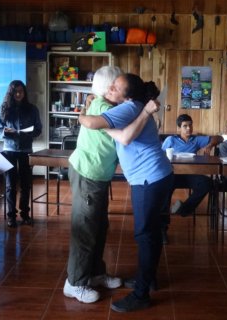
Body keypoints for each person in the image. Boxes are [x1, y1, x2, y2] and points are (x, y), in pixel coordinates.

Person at [79, 73, 173, 313]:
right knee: (151, 233)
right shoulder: (135, 106)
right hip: (157, 176)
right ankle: (147, 279)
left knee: (145, 235)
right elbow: (123, 136)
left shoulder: (129, 108)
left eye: (116, 87)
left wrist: (83, 109)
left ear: (127, 95)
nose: (110, 88)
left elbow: (90, 123)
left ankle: (141, 294)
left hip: (148, 179)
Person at [62, 66, 124, 304]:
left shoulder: (103, 106)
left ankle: (95, 273)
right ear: (111, 89)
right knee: (86, 229)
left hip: (96, 176)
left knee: (98, 226)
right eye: (120, 85)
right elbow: (126, 129)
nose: (123, 89)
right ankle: (74, 283)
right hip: (88, 174)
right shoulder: (104, 109)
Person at [161, 114, 222, 242]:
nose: (188, 128)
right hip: (171, 174)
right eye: (185, 126)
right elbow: (160, 155)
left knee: (207, 183)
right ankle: (162, 229)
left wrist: (210, 145)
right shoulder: (171, 140)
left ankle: (185, 209)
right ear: (179, 128)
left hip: (190, 174)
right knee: (163, 193)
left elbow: (219, 137)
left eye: (190, 125)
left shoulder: (197, 139)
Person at [0, 80, 42, 228]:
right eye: (15, 92)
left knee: (26, 184)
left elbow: (38, 129)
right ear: (11, 93)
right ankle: (11, 216)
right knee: (10, 185)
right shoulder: (5, 109)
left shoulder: (32, 109)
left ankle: (25, 214)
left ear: (24, 93)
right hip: (9, 150)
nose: (18, 94)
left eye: (21, 91)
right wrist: (5, 132)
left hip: (25, 150)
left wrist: (28, 133)